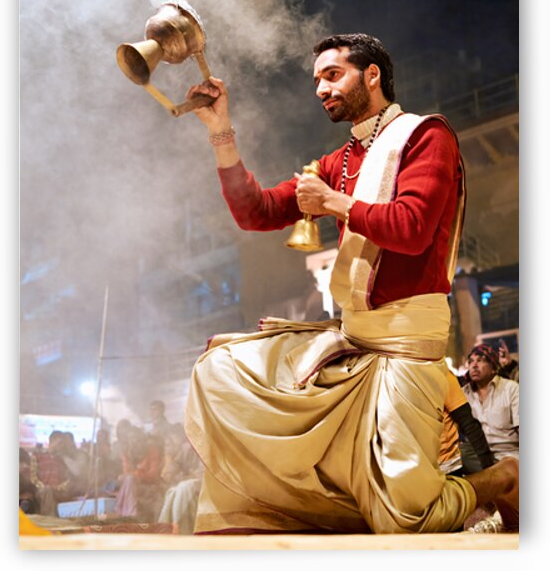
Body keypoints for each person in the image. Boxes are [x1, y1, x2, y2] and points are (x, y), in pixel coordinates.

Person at [183, 33, 519, 534]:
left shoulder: (426, 135)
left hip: (408, 345)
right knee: (221, 368)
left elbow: (411, 229)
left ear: (372, 75)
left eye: (332, 74)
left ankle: (505, 477)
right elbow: (256, 213)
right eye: (316, 80)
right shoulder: (334, 164)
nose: (320, 88)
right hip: (353, 339)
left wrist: (334, 204)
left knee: (407, 517)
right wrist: (220, 130)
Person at [461, 343, 519, 469]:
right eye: (471, 362)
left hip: (508, 456)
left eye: (480, 361)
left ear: (493, 368)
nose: (474, 365)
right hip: (479, 457)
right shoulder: (463, 393)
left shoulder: (511, 389)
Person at [439, 366, 495, 477]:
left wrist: (489, 468)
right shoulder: (399, 376)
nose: (474, 365)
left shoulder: (442, 376)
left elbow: (468, 423)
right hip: (409, 464)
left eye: (480, 361)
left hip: (445, 465)